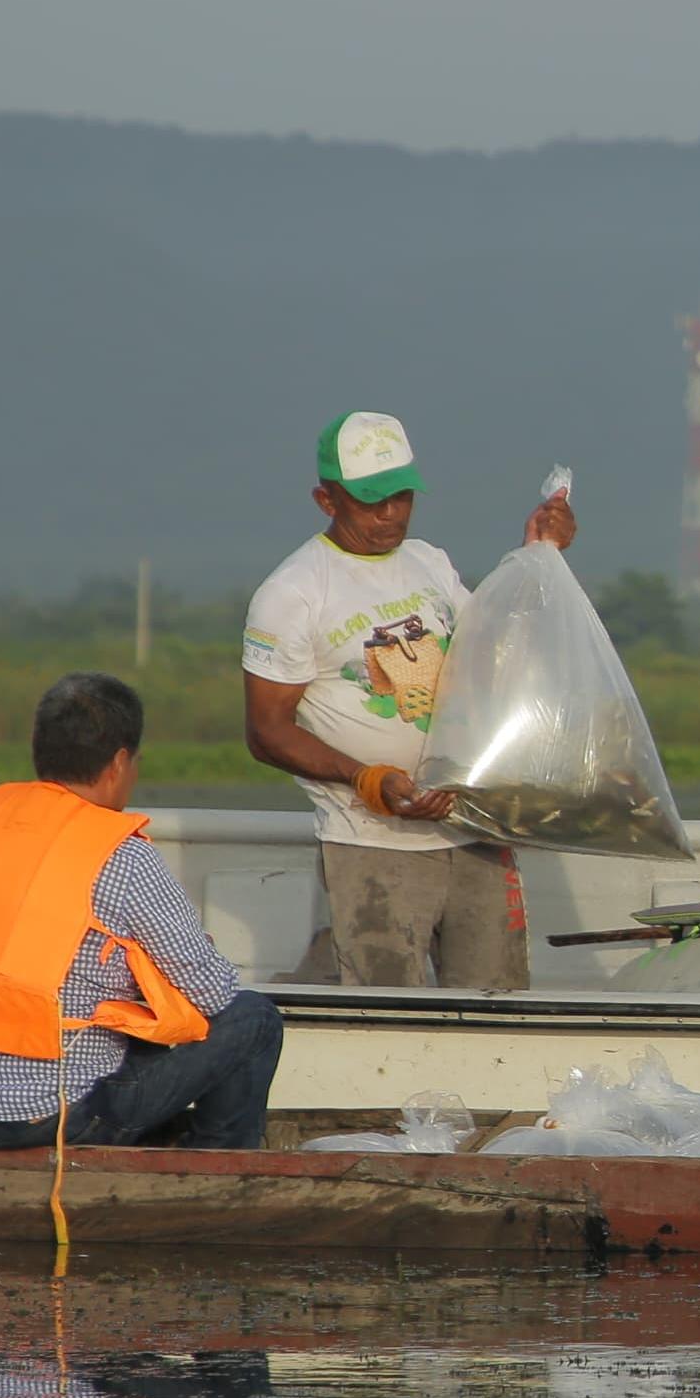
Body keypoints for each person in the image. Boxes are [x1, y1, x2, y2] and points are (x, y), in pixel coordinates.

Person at [240, 409, 575, 990]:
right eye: (371, 501)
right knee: (387, 1007)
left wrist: (537, 556)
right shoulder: (293, 592)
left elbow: (491, 653)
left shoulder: (428, 562)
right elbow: (266, 731)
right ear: (326, 500)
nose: (390, 514)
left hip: (471, 825)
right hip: (373, 843)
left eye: (401, 497)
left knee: (499, 1002)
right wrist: (367, 778)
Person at [0, 673, 286, 1150]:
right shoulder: (119, 854)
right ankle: (218, 1168)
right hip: (52, 1117)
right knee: (254, 1019)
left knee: (136, 1024)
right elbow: (211, 995)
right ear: (120, 763)